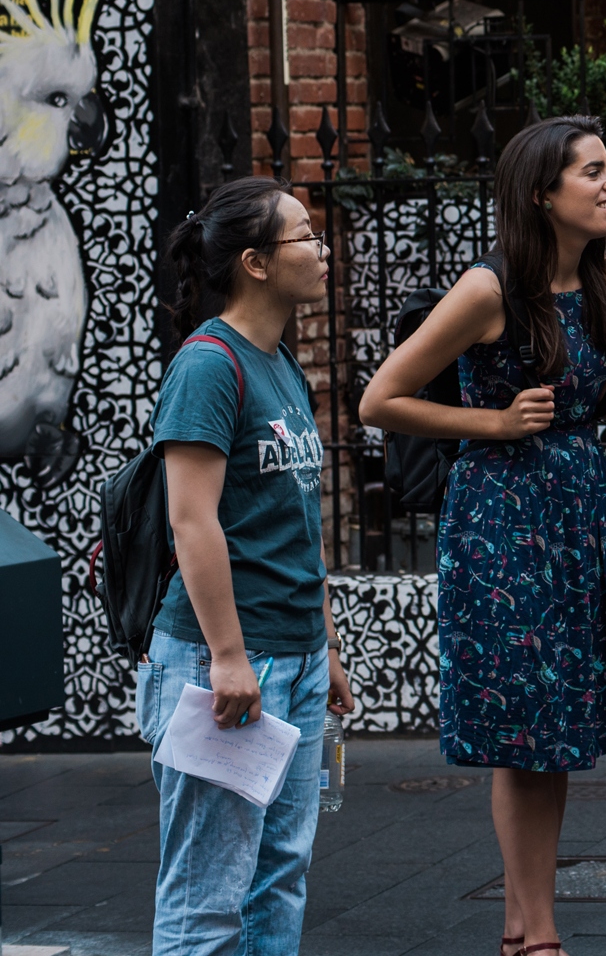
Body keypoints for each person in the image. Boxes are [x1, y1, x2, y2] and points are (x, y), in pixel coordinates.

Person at [360, 116, 606, 956]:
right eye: (592, 172)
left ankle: (524, 927)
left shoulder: (598, 277)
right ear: (540, 192)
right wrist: (490, 419)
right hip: (502, 524)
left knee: (552, 725)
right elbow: (381, 399)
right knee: (520, 724)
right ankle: (539, 932)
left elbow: (565, 396)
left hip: (574, 514)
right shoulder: (488, 289)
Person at [140, 176, 356, 956]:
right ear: (257, 261)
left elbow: (296, 521)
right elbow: (191, 520)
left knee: (278, 876)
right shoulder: (208, 364)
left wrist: (323, 642)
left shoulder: (281, 363)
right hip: (223, 661)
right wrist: (229, 657)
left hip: (291, 656)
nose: (323, 248)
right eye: (306, 236)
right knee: (208, 892)